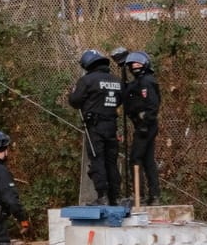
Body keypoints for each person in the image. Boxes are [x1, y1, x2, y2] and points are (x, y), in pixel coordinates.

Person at [68, 49, 124, 206]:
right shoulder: (116, 81)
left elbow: (75, 101)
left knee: (97, 160)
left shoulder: (87, 81)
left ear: (87, 65)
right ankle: (116, 196)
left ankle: (102, 196)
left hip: (95, 127)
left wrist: (72, 93)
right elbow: (119, 100)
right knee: (111, 161)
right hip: (112, 125)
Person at [124, 51, 162, 204]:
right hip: (142, 125)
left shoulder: (147, 82)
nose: (135, 66)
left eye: (138, 64)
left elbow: (152, 105)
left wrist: (145, 124)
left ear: (145, 65)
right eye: (132, 65)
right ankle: (154, 196)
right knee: (147, 160)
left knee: (135, 159)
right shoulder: (137, 83)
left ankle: (139, 196)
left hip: (145, 126)